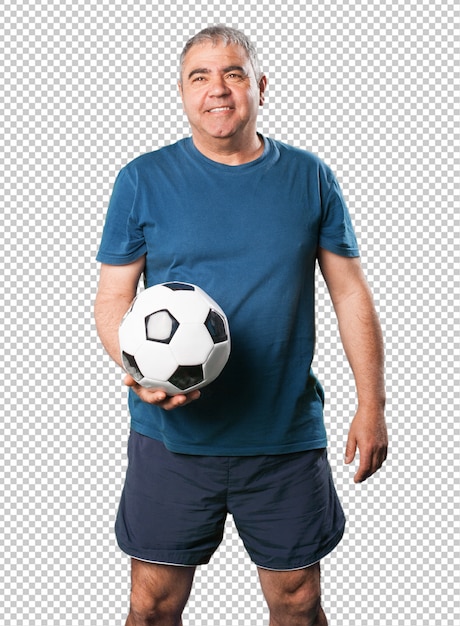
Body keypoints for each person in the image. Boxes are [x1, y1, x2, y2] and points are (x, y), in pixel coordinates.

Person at [94, 25, 388, 626]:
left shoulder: (309, 176)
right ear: (182, 93)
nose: (217, 89)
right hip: (172, 437)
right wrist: (137, 373)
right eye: (199, 76)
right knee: (151, 605)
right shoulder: (142, 180)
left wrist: (372, 403)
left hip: (281, 436)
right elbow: (112, 297)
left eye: (232, 73)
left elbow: (350, 290)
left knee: (298, 603)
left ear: (260, 85)